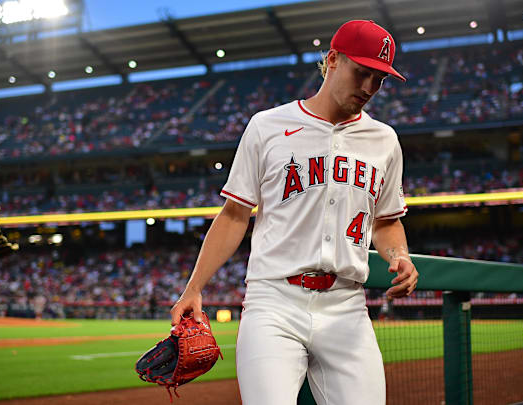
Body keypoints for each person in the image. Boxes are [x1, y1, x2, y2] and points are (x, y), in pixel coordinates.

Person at [170, 20, 418, 405]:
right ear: (333, 60)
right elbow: (235, 215)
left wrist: (399, 257)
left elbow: (386, 221)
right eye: (362, 73)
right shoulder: (267, 126)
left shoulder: (385, 140)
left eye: (380, 79)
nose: (370, 88)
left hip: (347, 304)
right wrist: (195, 286)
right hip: (274, 302)